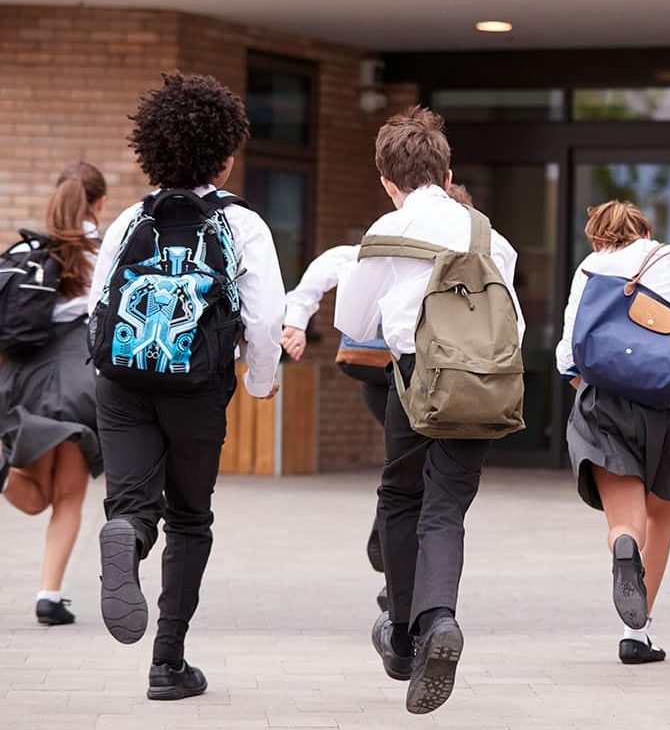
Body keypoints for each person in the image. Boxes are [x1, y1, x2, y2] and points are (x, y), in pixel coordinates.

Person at [88, 73, 285, 701]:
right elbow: (265, 315)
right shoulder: (242, 225)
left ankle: (129, 533)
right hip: (196, 385)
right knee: (191, 518)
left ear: (154, 152)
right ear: (224, 158)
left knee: (132, 501)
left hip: (120, 382)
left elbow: (99, 306)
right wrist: (259, 381)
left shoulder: (128, 219)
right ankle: (167, 665)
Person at [335, 108, 523, 714]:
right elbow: (511, 317)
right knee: (445, 507)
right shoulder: (492, 236)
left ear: (389, 182)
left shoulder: (386, 231)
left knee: (400, 495)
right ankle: (438, 617)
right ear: (448, 173)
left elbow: (356, 324)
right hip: (483, 381)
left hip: (416, 376)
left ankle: (400, 635)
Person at [281, 183, 478, 613]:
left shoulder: (390, 240)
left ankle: (397, 577)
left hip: (387, 375)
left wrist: (297, 322)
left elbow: (333, 287)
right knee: (424, 486)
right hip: (418, 379)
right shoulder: (478, 248)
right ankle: (408, 589)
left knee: (407, 480)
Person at [555, 200, 670, 664]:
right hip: (668, 404)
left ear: (597, 235)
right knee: (661, 513)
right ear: (645, 231)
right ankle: (639, 633)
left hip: (605, 403)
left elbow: (568, 348)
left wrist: (588, 385)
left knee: (625, 520)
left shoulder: (590, 269)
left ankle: (622, 546)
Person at [0, 162, 107, 626]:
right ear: (99, 203)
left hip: (23, 380)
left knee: (36, 493)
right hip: (78, 380)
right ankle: (49, 593)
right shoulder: (102, 253)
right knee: (65, 498)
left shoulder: (26, 249)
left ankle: (50, 595)